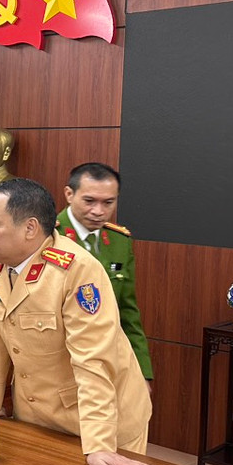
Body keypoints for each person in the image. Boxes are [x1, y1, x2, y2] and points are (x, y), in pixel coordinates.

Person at [0, 178, 163, 465]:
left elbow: (94, 360)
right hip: (34, 411)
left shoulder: (76, 270)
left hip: (100, 419)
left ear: (30, 228)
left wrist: (99, 445)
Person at [56, 162, 153, 388]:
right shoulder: (48, 235)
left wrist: (141, 371)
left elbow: (127, 312)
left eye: (108, 202)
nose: (99, 211)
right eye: (89, 201)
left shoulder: (119, 241)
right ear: (69, 194)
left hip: (107, 363)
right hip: (59, 365)